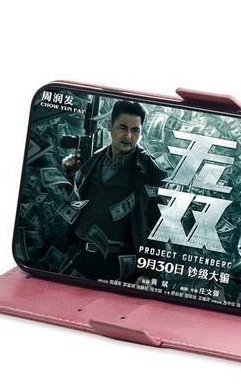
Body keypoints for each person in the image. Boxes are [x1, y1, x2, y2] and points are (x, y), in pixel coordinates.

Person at [62, 100, 167, 281]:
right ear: (110, 126)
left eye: (135, 130)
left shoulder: (150, 170)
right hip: (81, 257)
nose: (128, 136)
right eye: (122, 128)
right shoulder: (94, 159)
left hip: (118, 265)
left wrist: (150, 273)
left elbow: (161, 226)